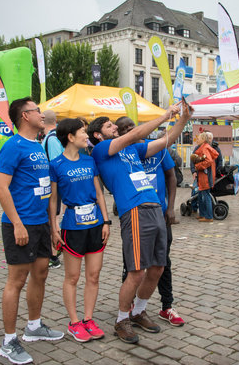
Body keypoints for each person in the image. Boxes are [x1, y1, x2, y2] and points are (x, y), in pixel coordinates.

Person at [87, 101, 192, 344]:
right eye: (109, 125)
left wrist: (183, 120)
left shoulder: (132, 150)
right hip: (134, 210)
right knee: (136, 271)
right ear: (97, 134)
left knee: (158, 267)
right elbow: (135, 133)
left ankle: (138, 312)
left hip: (154, 206)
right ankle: (122, 319)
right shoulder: (101, 149)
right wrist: (166, 114)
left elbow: (165, 141)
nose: (114, 127)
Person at [0, 97, 63, 365]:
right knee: (17, 280)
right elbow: (1, 187)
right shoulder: (13, 146)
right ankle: (9, 341)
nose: (41, 113)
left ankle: (34, 326)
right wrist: (17, 224)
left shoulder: (38, 145)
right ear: (25, 116)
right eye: (36, 110)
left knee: (41, 273)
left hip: (41, 224)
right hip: (20, 224)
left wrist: (52, 226)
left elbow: (46, 188)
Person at [116, 117, 185, 327]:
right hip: (135, 215)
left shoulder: (156, 148)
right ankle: (128, 309)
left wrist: (171, 207)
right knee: (132, 264)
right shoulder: (122, 154)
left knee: (162, 263)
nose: (132, 131)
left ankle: (166, 306)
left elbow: (172, 177)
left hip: (160, 214)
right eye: (125, 130)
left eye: (133, 127)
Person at [49, 118, 110, 342]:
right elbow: (53, 200)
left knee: (93, 276)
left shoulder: (89, 161)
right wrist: (53, 228)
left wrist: (106, 222)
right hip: (71, 228)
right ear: (70, 137)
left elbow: (100, 193)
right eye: (83, 132)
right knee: (72, 277)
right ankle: (74, 322)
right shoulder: (56, 165)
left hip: (95, 225)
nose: (87, 135)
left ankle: (88, 319)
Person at [42, 110, 65, 269]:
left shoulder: (51, 138)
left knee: (53, 219)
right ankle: (57, 249)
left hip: (53, 187)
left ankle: (54, 254)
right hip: (54, 186)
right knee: (53, 218)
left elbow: (58, 162)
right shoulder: (54, 136)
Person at [192, 132, 219, 222]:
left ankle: (208, 216)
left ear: (203, 139)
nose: (197, 140)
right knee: (201, 195)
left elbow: (208, 161)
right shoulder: (205, 147)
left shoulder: (205, 148)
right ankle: (203, 214)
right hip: (204, 175)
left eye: (199, 138)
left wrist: (198, 166)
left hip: (206, 176)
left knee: (205, 195)